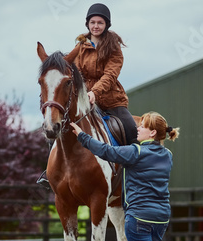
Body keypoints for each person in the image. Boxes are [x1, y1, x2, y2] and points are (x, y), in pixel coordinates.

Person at [70, 111, 180, 241]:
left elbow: (106, 151)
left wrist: (82, 136)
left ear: (152, 132)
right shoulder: (168, 155)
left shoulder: (135, 152)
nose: (137, 128)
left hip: (138, 217)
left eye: (143, 126)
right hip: (161, 217)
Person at [37, 3, 137, 188]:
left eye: (100, 22)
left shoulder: (113, 47)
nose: (96, 26)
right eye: (93, 22)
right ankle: (49, 171)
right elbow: (75, 72)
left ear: (107, 25)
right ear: (87, 24)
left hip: (111, 99)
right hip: (84, 100)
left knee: (131, 128)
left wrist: (95, 92)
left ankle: (137, 168)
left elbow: (110, 75)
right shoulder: (80, 46)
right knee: (58, 125)